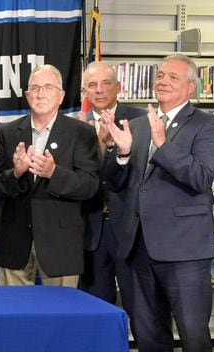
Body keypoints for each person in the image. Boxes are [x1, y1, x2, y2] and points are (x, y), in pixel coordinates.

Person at [101, 54, 214, 352]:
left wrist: (161, 144)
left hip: (185, 249)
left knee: (192, 335)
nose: (163, 81)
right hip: (138, 245)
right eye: (159, 75)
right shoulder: (135, 125)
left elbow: (200, 177)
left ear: (190, 86)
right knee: (149, 333)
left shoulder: (208, 124)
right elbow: (118, 184)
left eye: (173, 76)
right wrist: (120, 154)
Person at [0, 64, 99, 286]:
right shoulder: (7, 133)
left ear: (61, 95)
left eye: (48, 87)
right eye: (35, 88)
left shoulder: (81, 133)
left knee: (61, 317)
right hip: (15, 243)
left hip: (61, 246)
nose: (40, 94)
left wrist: (54, 173)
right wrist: (16, 174)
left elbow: (90, 185)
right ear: (27, 95)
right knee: (13, 316)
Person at [78, 61, 145, 303]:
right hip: (92, 229)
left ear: (118, 87)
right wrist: (98, 142)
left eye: (105, 83)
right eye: (92, 85)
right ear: (84, 92)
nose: (99, 90)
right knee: (95, 308)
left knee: (142, 309)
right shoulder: (74, 125)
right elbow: (79, 178)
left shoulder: (141, 120)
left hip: (130, 228)